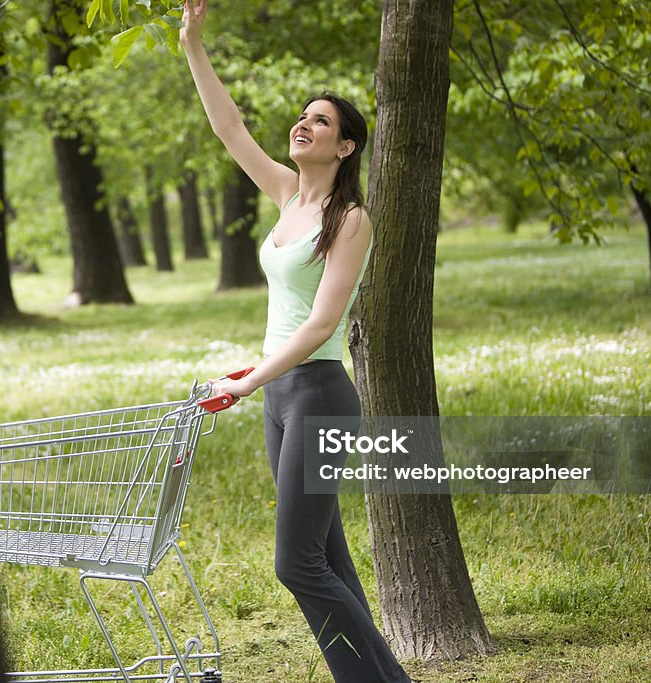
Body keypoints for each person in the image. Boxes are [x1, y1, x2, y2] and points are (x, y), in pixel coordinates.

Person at [180, 2, 412, 682]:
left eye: (321, 120)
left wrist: (247, 381)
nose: (303, 124)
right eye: (303, 115)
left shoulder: (352, 219)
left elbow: (319, 324)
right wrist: (194, 44)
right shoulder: (287, 196)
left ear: (345, 146)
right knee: (328, 561)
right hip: (281, 393)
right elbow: (229, 129)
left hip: (319, 397)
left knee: (297, 564)